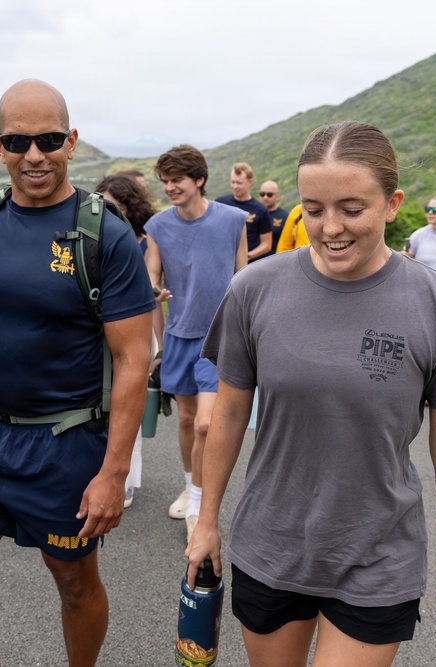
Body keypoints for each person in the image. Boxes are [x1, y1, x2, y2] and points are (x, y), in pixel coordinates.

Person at [189, 121, 436, 667]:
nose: (330, 228)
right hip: (271, 546)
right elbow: (229, 415)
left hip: (378, 552)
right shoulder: (253, 290)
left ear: (393, 204)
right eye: (314, 209)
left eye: (352, 209)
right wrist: (205, 522)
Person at [0, 79, 155, 667]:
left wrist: (113, 471)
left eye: (47, 139)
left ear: (71, 141)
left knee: (72, 582)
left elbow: (132, 359)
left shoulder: (106, 237)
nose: (34, 155)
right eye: (19, 141)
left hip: (66, 444)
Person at [144, 145, 247, 542]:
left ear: (199, 180)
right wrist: (153, 290)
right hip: (178, 335)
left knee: (206, 424)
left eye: (177, 181)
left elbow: (244, 275)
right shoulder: (158, 226)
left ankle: (202, 503)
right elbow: (152, 272)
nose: (170, 187)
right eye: (165, 181)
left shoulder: (233, 220)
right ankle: (191, 486)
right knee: (187, 421)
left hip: (220, 337)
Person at [95, 173, 162, 509]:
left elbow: (153, 283)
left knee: (127, 405)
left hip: (136, 331)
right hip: (98, 333)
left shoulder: (146, 242)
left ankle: (128, 479)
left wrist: (155, 297)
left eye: (116, 207)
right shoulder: (90, 238)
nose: (108, 213)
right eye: (103, 205)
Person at [215, 162, 272, 262]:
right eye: (232, 182)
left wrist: (246, 256)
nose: (235, 186)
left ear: (250, 182)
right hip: (221, 260)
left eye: (239, 183)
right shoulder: (220, 203)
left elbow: (266, 244)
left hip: (247, 265)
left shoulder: (260, 209)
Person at [258, 180, 288, 256]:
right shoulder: (253, 214)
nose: (265, 197)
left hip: (275, 261)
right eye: (262, 194)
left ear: (277, 196)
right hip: (252, 262)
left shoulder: (285, 216)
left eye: (269, 195)